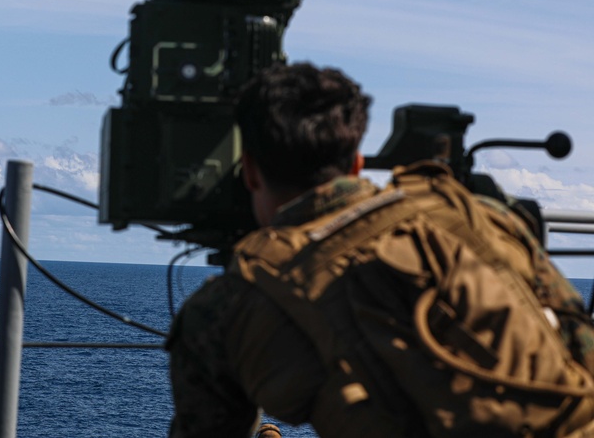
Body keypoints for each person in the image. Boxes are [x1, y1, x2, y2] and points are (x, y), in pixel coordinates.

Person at [167, 62, 594, 438]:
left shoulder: (227, 306)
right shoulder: (473, 215)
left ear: (252, 173)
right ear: (355, 162)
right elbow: (579, 340)